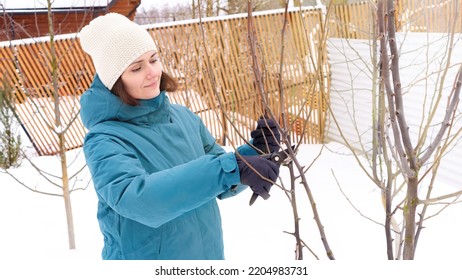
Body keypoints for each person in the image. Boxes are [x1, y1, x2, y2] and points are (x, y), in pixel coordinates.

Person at [78, 13, 281, 260]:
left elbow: (222, 180)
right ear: (115, 81)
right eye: (137, 68)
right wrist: (229, 169)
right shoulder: (105, 139)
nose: (152, 72)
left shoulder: (184, 117)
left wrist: (254, 153)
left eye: (153, 59)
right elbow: (137, 199)